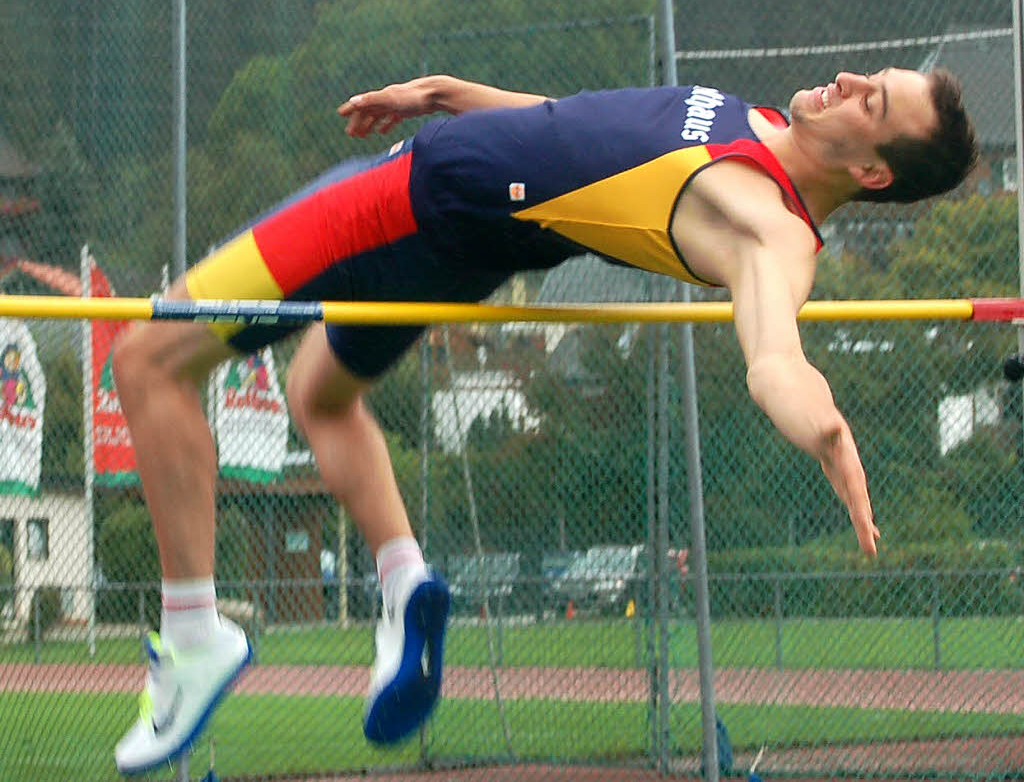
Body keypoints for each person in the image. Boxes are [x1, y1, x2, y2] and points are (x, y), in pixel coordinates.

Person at [110, 68, 977, 773]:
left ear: (873, 172)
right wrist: (453, 95)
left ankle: (195, 636)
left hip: (407, 202)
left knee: (146, 363)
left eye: (873, 101)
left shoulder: (768, 229)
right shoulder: (752, 121)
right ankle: (406, 581)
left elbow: (775, 355)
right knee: (321, 395)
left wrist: (823, 422)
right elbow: (575, 131)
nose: (848, 79)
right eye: (870, 76)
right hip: (464, 224)